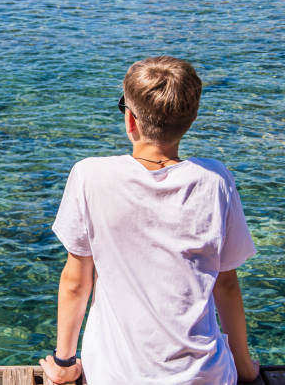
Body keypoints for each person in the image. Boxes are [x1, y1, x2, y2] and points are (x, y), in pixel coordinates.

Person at [39, 56, 260, 384]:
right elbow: (226, 285)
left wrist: (65, 362)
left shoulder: (90, 176)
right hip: (205, 377)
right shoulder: (215, 180)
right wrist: (242, 367)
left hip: (116, 377)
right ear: (192, 118)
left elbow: (75, 283)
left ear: (130, 120)